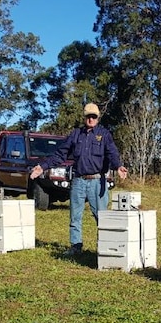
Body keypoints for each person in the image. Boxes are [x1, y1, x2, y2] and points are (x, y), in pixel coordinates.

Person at [30, 103, 128, 256]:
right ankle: (75, 246)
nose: (91, 119)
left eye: (94, 116)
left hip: (97, 181)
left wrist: (118, 166)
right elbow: (60, 154)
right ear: (84, 117)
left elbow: (112, 153)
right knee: (75, 216)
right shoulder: (75, 134)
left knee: (101, 216)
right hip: (78, 181)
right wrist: (43, 167)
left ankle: (106, 247)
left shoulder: (104, 134)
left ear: (98, 118)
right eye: (88, 116)